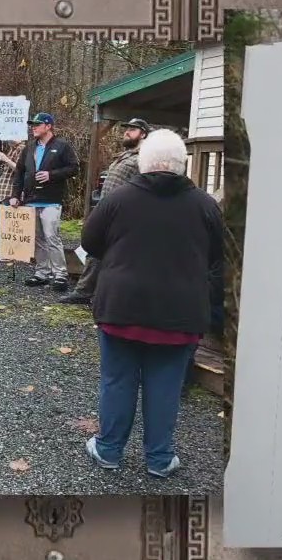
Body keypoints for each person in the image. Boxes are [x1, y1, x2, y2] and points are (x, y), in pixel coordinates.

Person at [79, 129, 224, 477]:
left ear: (144, 162)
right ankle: (159, 459)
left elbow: (90, 241)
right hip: (179, 315)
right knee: (165, 385)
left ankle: (109, 450)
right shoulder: (205, 205)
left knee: (117, 380)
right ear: (182, 165)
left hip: (121, 309)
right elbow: (219, 257)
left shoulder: (118, 200)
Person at [60, 117, 150, 305]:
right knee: (95, 250)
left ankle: (90, 292)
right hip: (107, 211)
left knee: (106, 253)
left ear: (143, 134)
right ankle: (87, 292)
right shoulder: (126, 155)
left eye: (132, 129)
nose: (126, 132)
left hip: (125, 214)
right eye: (127, 128)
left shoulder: (145, 157)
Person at [9, 113, 79, 292]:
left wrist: (51, 175)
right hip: (31, 200)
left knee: (52, 237)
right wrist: (15, 194)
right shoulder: (29, 148)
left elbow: (74, 168)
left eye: (37, 124)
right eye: (32, 124)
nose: (33, 127)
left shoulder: (62, 146)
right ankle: (41, 273)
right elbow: (19, 172)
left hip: (51, 200)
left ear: (48, 126)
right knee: (38, 239)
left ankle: (60, 275)